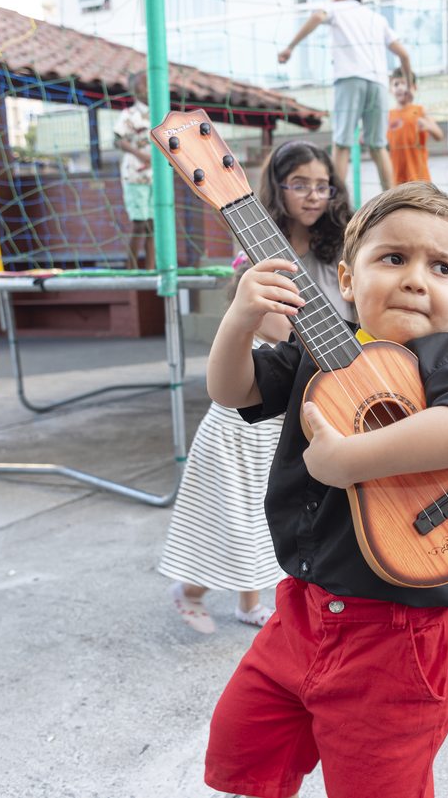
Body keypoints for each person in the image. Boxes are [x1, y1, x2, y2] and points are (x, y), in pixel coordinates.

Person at [202, 182, 448, 798]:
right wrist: (241, 320)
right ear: (347, 279)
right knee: (243, 754)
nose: (415, 279)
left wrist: (351, 458)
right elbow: (230, 389)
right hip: (300, 610)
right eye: (392, 258)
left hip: (399, 638)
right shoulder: (316, 354)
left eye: (442, 267)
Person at [158, 259, 291, 633]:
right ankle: (190, 591)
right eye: (286, 308)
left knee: (259, 529)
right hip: (230, 452)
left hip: (263, 454)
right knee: (234, 534)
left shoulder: (290, 347)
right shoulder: (241, 341)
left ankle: (248, 606)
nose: (297, 318)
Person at [278, 0, 415, 193]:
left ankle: (336, 202)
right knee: (378, 146)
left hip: (349, 79)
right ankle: (391, 199)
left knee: (342, 143)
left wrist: (289, 47)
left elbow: (317, 16)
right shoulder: (377, 18)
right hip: (378, 83)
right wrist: (409, 85)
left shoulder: (334, 8)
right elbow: (404, 55)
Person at [257, 139, 353, 320]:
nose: (314, 196)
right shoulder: (261, 246)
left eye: (322, 187)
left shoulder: (343, 241)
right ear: (277, 189)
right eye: (300, 186)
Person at [114, 71, 155, 270]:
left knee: (153, 225)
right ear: (134, 90)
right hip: (135, 174)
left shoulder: (159, 114)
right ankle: (131, 267)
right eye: (143, 85)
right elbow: (118, 139)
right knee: (140, 223)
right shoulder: (128, 115)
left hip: (155, 177)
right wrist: (140, 155)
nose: (147, 89)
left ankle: (151, 267)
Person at [387, 67, 443, 185]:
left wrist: (429, 125)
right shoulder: (388, 115)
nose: (400, 87)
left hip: (419, 178)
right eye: (396, 84)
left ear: (414, 88)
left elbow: (439, 135)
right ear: (390, 89)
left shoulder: (420, 110)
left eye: (405, 84)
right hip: (397, 180)